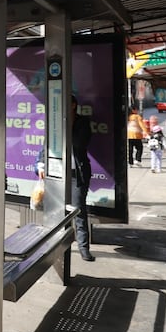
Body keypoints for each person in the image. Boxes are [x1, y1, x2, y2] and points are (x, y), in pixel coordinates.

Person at [70, 95, 95, 262]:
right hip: (57, 173)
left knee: (78, 210)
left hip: (77, 173)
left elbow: (79, 143)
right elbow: (48, 144)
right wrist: (41, 164)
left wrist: (67, 125)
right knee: (56, 211)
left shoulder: (82, 122)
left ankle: (83, 247)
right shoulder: (55, 121)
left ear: (73, 105)